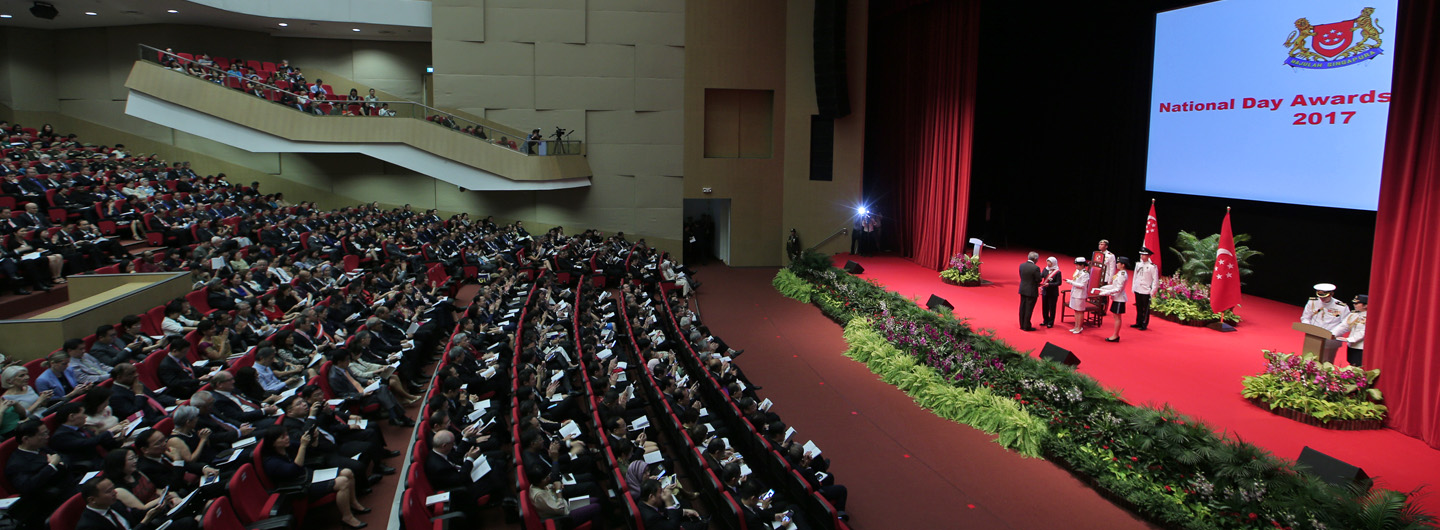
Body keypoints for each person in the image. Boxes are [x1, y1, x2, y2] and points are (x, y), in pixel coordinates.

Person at [1301, 283, 1350, 363]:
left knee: (1326, 362)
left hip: (1330, 339)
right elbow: (1305, 317)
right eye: (1320, 295)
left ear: (1331, 294)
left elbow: (1346, 324)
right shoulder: (1313, 302)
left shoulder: (1341, 307)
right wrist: (1309, 329)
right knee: (1309, 360)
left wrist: (1332, 333)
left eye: (1325, 296)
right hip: (1313, 337)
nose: (1321, 298)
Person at [1093, 257, 1130, 343]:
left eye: (1118, 263)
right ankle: (1115, 334)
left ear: (1123, 264)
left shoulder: (1122, 274)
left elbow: (1118, 289)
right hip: (1116, 298)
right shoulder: (1120, 273)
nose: (1117, 264)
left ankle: (1116, 335)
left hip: (1119, 299)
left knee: (1117, 318)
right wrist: (1103, 288)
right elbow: (1114, 286)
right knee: (1115, 317)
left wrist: (1106, 293)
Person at [1330, 294, 1367, 367]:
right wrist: (1332, 334)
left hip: (1360, 347)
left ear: (1365, 305)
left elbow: (1363, 332)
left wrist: (1349, 339)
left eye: (1357, 303)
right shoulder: (1354, 314)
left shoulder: (1369, 316)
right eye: (1354, 303)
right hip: (1352, 345)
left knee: (1358, 366)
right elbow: (1344, 325)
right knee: (1351, 362)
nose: (1354, 305)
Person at [1130, 247, 1159, 331]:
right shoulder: (1138, 264)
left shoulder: (1152, 267)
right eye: (1141, 254)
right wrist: (1133, 287)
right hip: (1138, 288)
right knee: (1138, 307)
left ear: (1149, 256)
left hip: (1146, 289)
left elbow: (1155, 280)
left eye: (1144, 255)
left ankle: (1144, 323)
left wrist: (1153, 290)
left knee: (1145, 308)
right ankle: (1138, 322)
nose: (1142, 256)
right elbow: (1135, 276)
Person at [1017, 252, 1042, 331]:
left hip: (1023, 289)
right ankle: (1027, 326)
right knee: (1029, 309)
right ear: (1035, 259)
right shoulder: (1035, 268)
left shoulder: (1022, 265)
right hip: (1031, 291)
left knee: (1022, 307)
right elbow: (1038, 279)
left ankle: (1022, 324)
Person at [1066, 257, 1091, 334]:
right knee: (1075, 310)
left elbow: (1082, 285)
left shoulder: (1085, 274)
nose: (1076, 266)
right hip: (1074, 292)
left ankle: (1079, 327)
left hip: (1080, 294)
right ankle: (1076, 326)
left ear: (1083, 265)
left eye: (1078, 265)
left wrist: (1071, 282)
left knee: (1080, 311)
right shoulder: (1077, 271)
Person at [1039, 256, 1062, 328]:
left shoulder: (1057, 272)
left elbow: (1059, 283)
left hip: (1053, 293)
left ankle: (1051, 322)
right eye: (1047, 262)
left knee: (1052, 307)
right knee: (1044, 307)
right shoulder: (1045, 269)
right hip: (1045, 291)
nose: (1048, 263)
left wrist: (1049, 284)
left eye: (1050, 262)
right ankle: (1045, 320)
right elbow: (1041, 276)